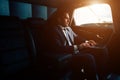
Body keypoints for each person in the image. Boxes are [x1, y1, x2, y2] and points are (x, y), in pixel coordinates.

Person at [43, 10, 108, 80]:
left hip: (76, 51)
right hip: (68, 55)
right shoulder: (54, 30)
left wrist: (87, 41)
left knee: (102, 50)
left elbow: (76, 37)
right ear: (59, 19)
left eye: (69, 18)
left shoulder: (69, 28)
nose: (68, 20)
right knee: (89, 57)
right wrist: (79, 47)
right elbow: (58, 48)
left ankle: (102, 76)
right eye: (66, 18)